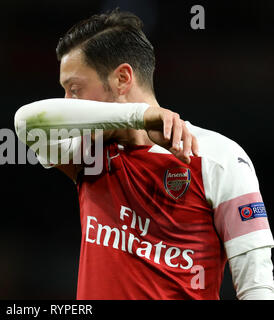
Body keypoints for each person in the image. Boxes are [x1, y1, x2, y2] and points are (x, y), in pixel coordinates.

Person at [14, 9, 274, 299]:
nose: (67, 104)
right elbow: (27, 120)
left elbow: (256, 281)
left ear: (123, 78)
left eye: (74, 90)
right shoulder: (87, 151)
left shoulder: (219, 156)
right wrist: (138, 116)